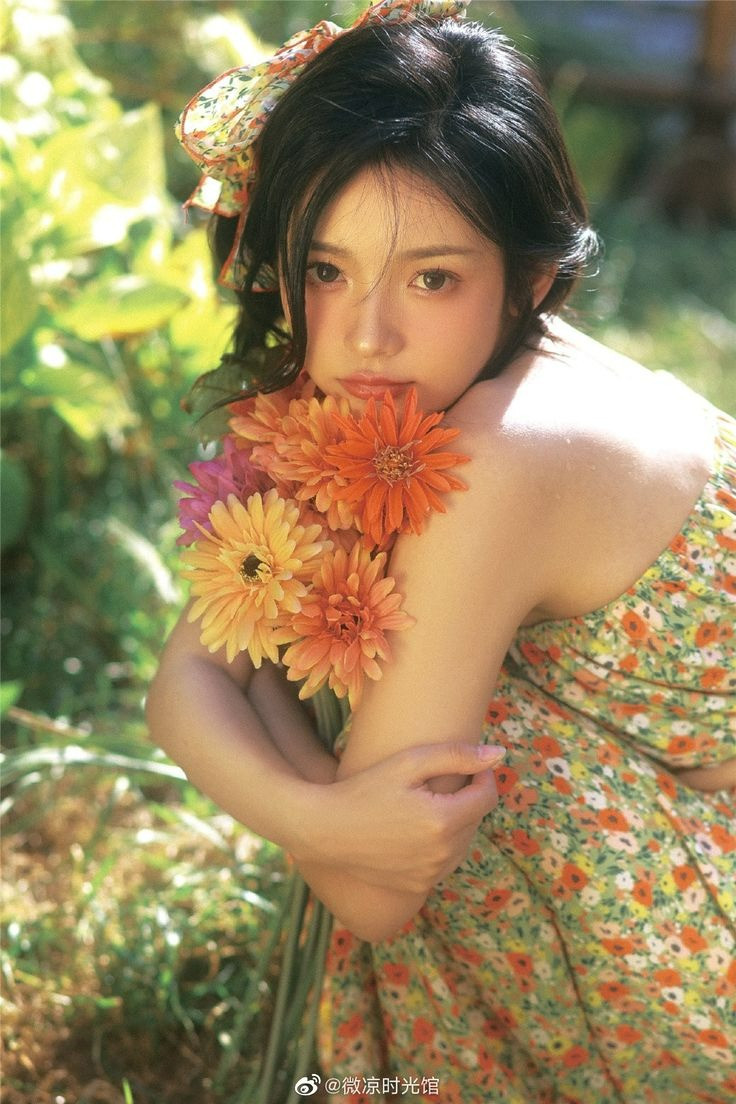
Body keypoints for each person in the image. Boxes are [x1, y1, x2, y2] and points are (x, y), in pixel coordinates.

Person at [146, 1, 736, 1101]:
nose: (366, 334)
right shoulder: (418, 385)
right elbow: (182, 683)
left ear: (531, 279)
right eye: (326, 269)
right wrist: (324, 814)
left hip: (707, 924)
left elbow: (375, 895)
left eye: (430, 278)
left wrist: (273, 714)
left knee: (470, 728)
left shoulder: (501, 460)